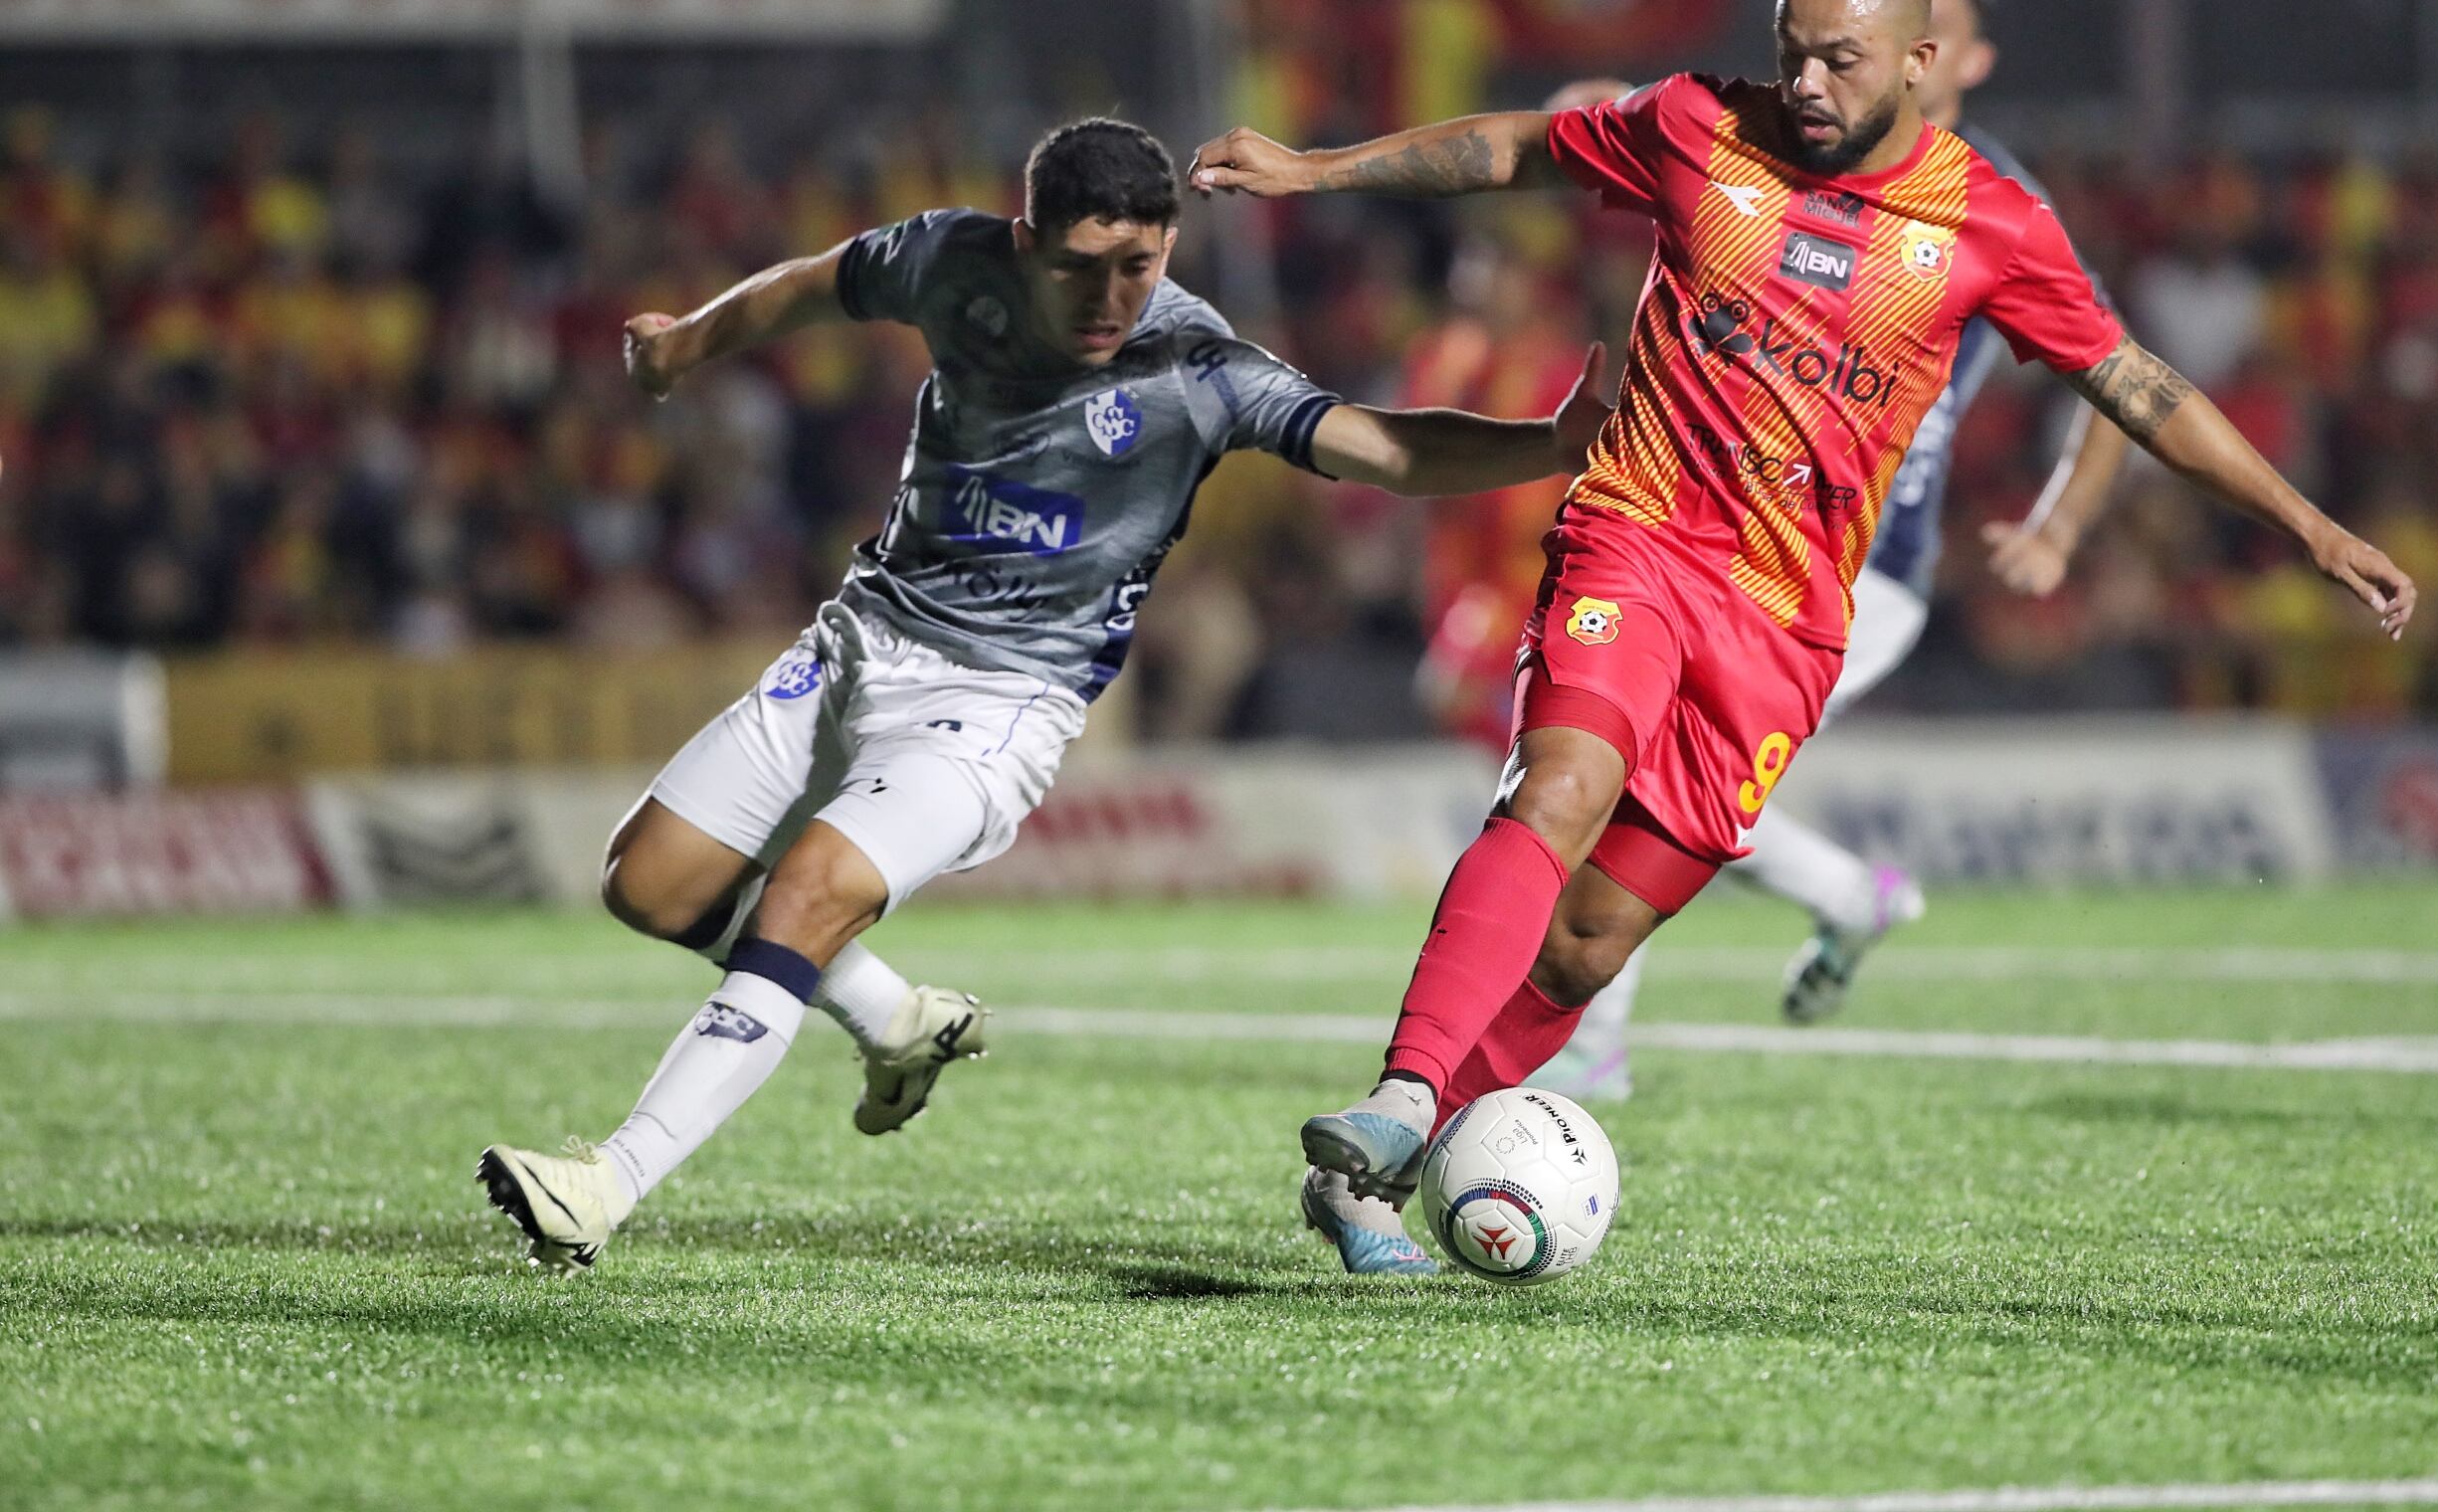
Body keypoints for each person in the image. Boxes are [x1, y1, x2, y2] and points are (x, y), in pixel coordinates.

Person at [1190, 0, 2416, 1273]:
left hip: (1784, 622)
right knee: (1557, 784)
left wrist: (2306, 524)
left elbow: (2137, 390)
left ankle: (1376, 1181)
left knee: (1592, 945)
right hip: (1639, 536)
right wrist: (1317, 167)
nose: (1812, 84)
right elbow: (1511, 149)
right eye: (1795, 54)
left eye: (1843, 59)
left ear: (1920, 61)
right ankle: (1403, 1101)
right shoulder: (1699, 127)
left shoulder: (1988, 222)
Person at [478, 118, 1610, 1278]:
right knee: (650, 882)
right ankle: (888, 1017)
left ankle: (606, 1183)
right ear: (1026, 243)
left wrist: (1549, 444)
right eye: (1080, 267)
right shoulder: (950, 262)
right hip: (861, 638)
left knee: (813, 889)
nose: (1112, 296)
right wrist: (682, 349)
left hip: (1005, 701)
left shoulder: (1198, 369)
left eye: (1142, 265)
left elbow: (1385, 448)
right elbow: (811, 289)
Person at [1531, 0, 2138, 1101]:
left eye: (1939, 32)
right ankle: (1848, 902)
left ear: (1954, 56)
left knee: (1643, 775)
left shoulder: (1991, 202)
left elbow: (2115, 376)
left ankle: (1595, 1045)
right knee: (1643, 770)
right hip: (1735, 539)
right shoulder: (1805, 155)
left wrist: (2059, 526)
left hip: (1868, 570)